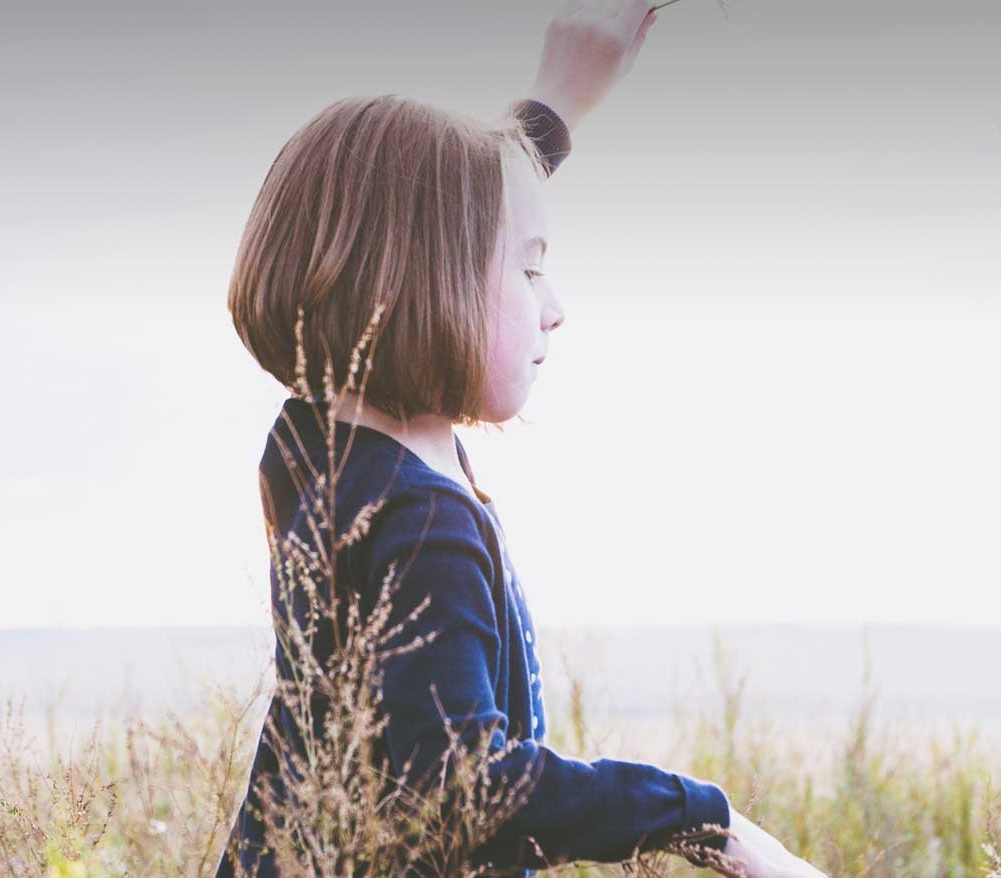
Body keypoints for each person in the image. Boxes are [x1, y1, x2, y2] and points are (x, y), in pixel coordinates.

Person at [217, 1, 827, 876]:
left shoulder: (320, 441)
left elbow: (419, 212)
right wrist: (709, 820)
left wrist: (554, 106)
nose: (555, 304)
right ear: (428, 282)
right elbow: (471, 792)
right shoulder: (423, 526)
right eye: (531, 265)